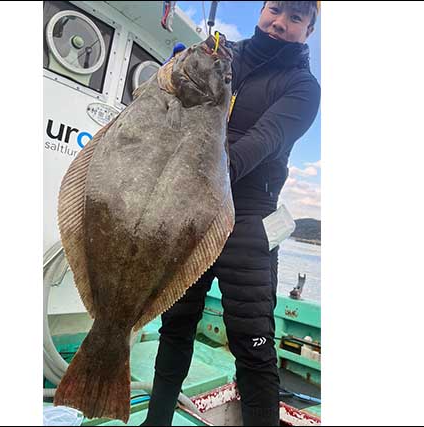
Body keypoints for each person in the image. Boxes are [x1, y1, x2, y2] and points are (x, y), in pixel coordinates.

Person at [142, 2, 321, 425]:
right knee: (176, 325)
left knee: (253, 342)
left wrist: (197, 171)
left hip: (249, 218)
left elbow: (265, 140)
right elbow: (168, 109)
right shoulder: (221, 54)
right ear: (262, 9)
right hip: (192, 211)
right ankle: (157, 420)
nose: (280, 23)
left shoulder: (302, 86)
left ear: (309, 30)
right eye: (275, 9)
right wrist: (170, 78)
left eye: (295, 18)